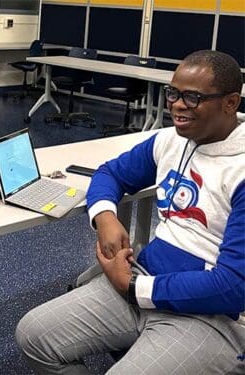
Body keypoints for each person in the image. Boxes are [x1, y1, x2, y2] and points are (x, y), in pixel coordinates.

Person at [15, 50, 245, 374]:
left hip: (211, 316)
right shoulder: (170, 141)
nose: (178, 105)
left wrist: (134, 288)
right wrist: (105, 218)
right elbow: (110, 173)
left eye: (192, 97)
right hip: (144, 282)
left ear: (230, 102)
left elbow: (233, 288)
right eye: (173, 93)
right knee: (33, 335)